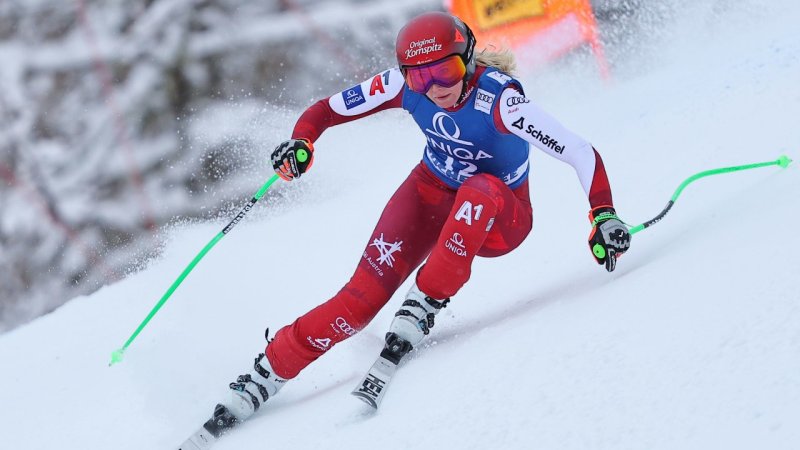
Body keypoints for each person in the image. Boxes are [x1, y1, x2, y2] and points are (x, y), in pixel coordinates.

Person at [211, 11, 631, 428]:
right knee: (358, 304)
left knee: (479, 187)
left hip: (500, 219)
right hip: (431, 193)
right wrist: (301, 142)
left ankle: (425, 299)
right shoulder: (400, 85)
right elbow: (326, 110)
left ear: (467, 60)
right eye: (419, 78)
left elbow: (579, 151)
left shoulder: (503, 102)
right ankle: (268, 370)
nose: (434, 88)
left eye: (446, 71)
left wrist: (603, 213)